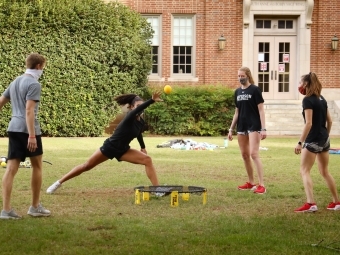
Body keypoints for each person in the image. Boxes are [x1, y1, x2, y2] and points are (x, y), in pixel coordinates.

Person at [46, 92, 163, 194]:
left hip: (123, 149)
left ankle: (157, 190)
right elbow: (137, 112)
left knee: (147, 160)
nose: (141, 108)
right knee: (86, 166)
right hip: (110, 147)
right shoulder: (130, 116)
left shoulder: (140, 121)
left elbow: (138, 133)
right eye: (138, 106)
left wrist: (142, 147)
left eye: (142, 106)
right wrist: (151, 100)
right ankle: (58, 183)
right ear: (132, 107)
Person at [0, 53, 51, 219]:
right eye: (42, 67)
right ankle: (35, 207)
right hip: (28, 131)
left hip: (13, 128)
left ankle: (6, 210)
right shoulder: (34, 84)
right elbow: (29, 110)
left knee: (10, 169)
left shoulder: (15, 81)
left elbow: (1, 102)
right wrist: (31, 136)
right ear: (38, 66)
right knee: (37, 166)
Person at [294, 72, 340, 212]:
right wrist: (325, 134)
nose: (300, 86)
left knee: (304, 170)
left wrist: (300, 142)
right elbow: (330, 121)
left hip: (312, 139)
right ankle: (337, 202)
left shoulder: (307, 100)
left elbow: (308, 123)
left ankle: (310, 203)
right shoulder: (322, 99)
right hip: (324, 139)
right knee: (325, 172)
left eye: (301, 83)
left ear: (306, 84)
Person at [227, 67, 267, 194]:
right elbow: (237, 112)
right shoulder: (237, 92)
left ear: (248, 76)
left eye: (242, 75)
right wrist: (231, 128)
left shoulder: (255, 90)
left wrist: (263, 128)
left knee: (254, 154)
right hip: (242, 126)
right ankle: (251, 183)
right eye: (238, 76)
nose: (240, 78)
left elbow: (261, 110)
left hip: (254, 125)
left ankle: (262, 185)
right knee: (245, 155)